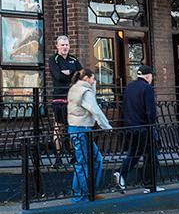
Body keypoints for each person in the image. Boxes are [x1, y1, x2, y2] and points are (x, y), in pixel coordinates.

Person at [65, 68, 112, 201]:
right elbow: (95, 109)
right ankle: (80, 196)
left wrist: (93, 87)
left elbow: (91, 102)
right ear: (86, 78)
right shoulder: (84, 91)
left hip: (78, 129)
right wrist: (107, 127)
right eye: (93, 78)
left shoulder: (76, 88)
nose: (94, 81)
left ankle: (89, 191)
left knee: (94, 160)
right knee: (84, 163)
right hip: (82, 129)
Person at [116, 64, 159, 192]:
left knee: (135, 153)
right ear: (148, 76)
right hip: (144, 127)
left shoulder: (129, 87)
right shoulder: (147, 88)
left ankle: (122, 174)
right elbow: (150, 111)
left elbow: (125, 107)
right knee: (150, 156)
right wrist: (152, 125)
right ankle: (149, 185)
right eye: (151, 76)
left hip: (130, 126)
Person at [46, 36, 82, 163]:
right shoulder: (53, 59)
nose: (65, 47)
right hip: (59, 98)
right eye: (62, 45)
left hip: (73, 98)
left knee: (73, 126)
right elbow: (58, 76)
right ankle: (58, 158)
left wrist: (69, 72)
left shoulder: (74, 59)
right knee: (58, 127)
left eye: (66, 45)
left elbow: (81, 75)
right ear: (57, 46)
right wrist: (73, 74)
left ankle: (74, 155)